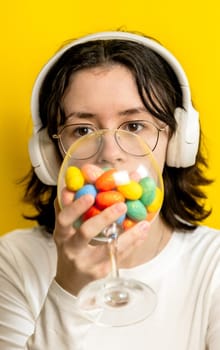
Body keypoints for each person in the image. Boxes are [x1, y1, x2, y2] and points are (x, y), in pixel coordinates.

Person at [0, 30, 219, 350]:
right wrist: (68, 288)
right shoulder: (14, 260)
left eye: (133, 126)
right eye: (83, 130)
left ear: (177, 141)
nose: (110, 152)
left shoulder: (213, 263)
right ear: (49, 155)